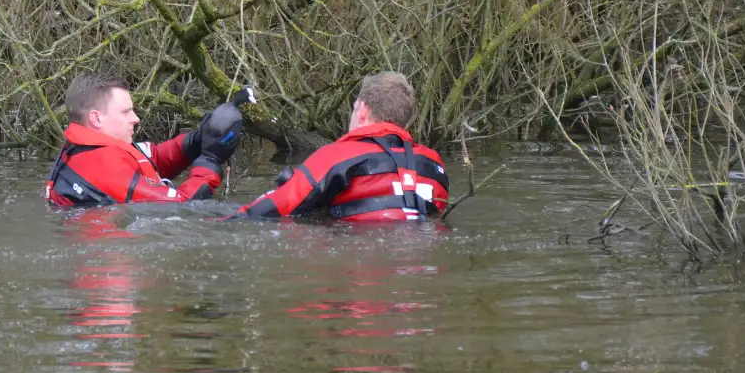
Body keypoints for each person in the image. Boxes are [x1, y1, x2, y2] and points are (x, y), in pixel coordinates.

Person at [230, 71, 449, 222]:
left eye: (353, 109)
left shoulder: (336, 156)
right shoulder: (433, 163)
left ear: (362, 110)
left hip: (361, 255)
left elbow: (268, 209)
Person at [46, 71, 244, 207]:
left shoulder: (86, 147)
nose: (136, 119)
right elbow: (183, 205)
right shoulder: (105, 168)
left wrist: (197, 140)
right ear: (96, 118)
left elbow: (153, 158)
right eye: (126, 112)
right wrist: (211, 160)